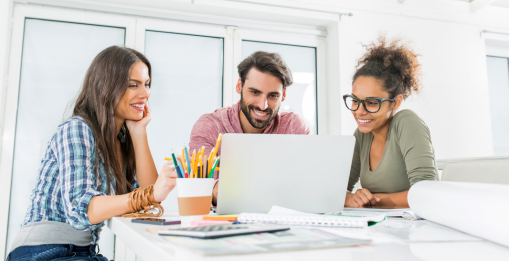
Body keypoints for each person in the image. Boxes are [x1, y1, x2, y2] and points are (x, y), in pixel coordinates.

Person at [7, 46, 177, 261]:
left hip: (82, 252)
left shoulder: (122, 141)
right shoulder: (77, 129)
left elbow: (147, 206)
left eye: (147, 84)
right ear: (106, 87)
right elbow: (81, 210)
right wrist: (150, 195)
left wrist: (139, 133)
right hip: (42, 252)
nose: (145, 94)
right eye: (133, 85)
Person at [189, 51, 310, 205]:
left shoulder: (295, 128)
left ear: (284, 95)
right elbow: (199, 190)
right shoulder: (210, 127)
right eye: (255, 92)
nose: (262, 105)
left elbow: (306, 186)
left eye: (273, 96)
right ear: (240, 86)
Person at [344, 36, 438, 209]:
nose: (359, 111)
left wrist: (372, 201)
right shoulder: (361, 135)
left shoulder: (407, 123)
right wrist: (350, 199)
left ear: (395, 102)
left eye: (372, 103)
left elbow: (428, 192)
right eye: (355, 101)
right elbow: (338, 188)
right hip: (379, 227)